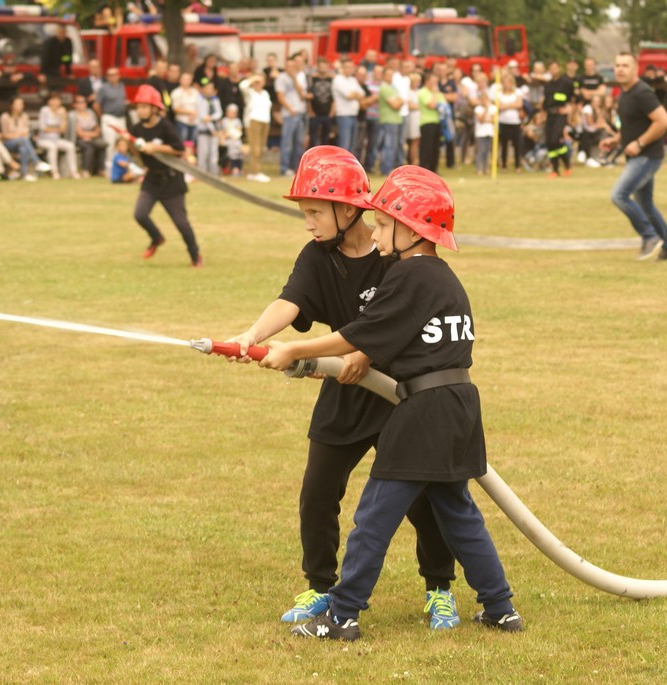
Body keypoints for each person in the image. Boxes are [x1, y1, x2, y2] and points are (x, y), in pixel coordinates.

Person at [261, 165, 523, 642]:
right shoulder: (442, 279)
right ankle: (500, 607)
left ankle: (341, 615)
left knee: (374, 517)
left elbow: (355, 335)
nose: (376, 230)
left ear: (412, 229)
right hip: (459, 407)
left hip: (421, 412)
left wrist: (293, 351)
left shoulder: (408, 277)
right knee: (459, 513)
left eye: (383, 224)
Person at [229, 147, 459, 631]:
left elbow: (394, 322)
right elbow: (290, 300)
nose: (308, 223)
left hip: (398, 396)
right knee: (317, 492)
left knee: (423, 499)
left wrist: (362, 356)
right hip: (344, 392)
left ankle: (439, 589)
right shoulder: (317, 257)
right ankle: (319, 586)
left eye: (314, 211)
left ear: (349, 208)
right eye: (305, 213)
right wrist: (252, 336)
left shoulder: (398, 250)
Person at [601, 53, 667, 262]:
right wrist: (616, 140)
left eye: (625, 66)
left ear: (635, 69)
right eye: (617, 65)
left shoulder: (642, 92)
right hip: (638, 155)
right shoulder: (624, 93)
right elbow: (633, 125)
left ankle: (649, 235)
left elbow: (663, 122)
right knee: (645, 204)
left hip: (647, 156)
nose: (620, 69)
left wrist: (640, 143)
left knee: (619, 195)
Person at [128, 85, 203, 267]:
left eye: (145, 106)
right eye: (139, 107)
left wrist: (156, 148)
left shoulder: (165, 126)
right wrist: (134, 148)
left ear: (155, 108)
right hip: (152, 179)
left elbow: (179, 149)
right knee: (140, 214)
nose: (141, 110)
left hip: (171, 181)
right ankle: (157, 238)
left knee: (181, 223)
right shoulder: (137, 128)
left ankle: (195, 256)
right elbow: (138, 155)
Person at [0, 96, 49, 181]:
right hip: (8, 143)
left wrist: (21, 135)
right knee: (23, 140)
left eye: (21, 104)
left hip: (22, 143)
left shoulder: (24, 116)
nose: (20, 106)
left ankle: (25, 174)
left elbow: (26, 133)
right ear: (11, 105)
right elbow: (5, 135)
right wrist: (19, 135)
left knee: (23, 148)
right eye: (18, 104)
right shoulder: (5, 117)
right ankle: (37, 162)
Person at [277, 57, 309, 175]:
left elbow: (301, 95)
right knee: (287, 143)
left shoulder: (298, 78)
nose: (291, 68)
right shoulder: (281, 78)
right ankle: (284, 168)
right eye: (289, 66)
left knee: (298, 143)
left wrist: (295, 79)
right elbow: (280, 96)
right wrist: (290, 109)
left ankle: (296, 169)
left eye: (293, 66)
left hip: (300, 113)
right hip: (289, 114)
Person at [37, 92, 78, 179]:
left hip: (56, 139)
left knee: (70, 146)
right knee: (52, 147)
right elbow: (43, 128)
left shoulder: (61, 111)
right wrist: (55, 129)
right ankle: (54, 172)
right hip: (43, 139)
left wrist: (63, 116)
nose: (55, 102)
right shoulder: (44, 110)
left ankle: (73, 171)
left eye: (57, 100)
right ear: (49, 101)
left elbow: (63, 130)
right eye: (53, 100)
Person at [543, 61, 574, 178]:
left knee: (555, 140)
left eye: (555, 68)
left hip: (561, 115)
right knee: (549, 143)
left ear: (559, 69)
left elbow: (575, 98)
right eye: (551, 68)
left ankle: (567, 165)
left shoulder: (566, 83)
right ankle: (555, 170)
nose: (553, 70)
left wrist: (570, 109)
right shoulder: (548, 85)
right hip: (550, 115)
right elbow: (546, 102)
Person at [239, 73, 271, 182]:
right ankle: (255, 172)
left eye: (260, 81)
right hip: (253, 121)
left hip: (265, 121)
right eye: (256, 82)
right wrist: (253, 78)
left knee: (261, 148)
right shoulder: (250, 93)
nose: (258, 84)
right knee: (255, 148)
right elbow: (242, 85)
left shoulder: (265, 93)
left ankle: (254, 171)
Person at [96, 67, 128, 173]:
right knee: (109, 144)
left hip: (121, 118)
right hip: (109, 118)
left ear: (118, 76)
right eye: (110, 75)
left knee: (121, 143)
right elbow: (97, 105)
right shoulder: (104, 88)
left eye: (114, 75)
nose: (112, 77)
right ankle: (109, 169)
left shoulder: (121, 86)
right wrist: (102, 117)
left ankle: (120, 168)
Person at [70, 94, 106, 177]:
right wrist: (89, 135)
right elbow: (79, 133)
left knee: (102, 145)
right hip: (78, 139)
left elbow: (97, 129)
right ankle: (85, 170)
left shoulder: (90, 113)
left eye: (83, 102)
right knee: (89, 147)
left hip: (91, 137)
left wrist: (91, 135)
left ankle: (101, 170)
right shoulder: (73, 115)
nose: (82, 104)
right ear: (74, 104)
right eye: (79, 102)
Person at [194, 77, 222, 175]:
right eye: (207, 88)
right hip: (204, 131)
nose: (209, 90)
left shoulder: (215, 100)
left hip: (214, 131)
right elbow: (203, 117)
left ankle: (214, 174)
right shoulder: (200, 100)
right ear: (203, 89)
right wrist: (211, 127)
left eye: (211, 88)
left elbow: (219, 113)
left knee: (214, 154)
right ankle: (202, 173)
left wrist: (211, 118)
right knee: (203, 153)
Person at [496, 74, 523, 172]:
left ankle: (517, 166)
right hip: (503, 122)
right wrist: (512, 105)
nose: (507, 84)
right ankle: (504, 165)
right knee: (504, 145)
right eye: (505, 82)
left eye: (509, 82)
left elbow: (519, 104)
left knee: (517, 145)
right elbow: (499, 106)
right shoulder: (499, 93)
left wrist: (506, 105)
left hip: (515, 122)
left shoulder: (517, 92)